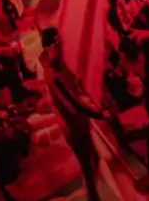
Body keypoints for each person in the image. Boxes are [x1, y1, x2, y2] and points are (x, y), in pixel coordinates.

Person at [42, 28, 112, 201]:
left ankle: (93, 192)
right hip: (75, 128)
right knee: (88, 167)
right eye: (57, 44)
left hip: (79, 124)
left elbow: (74, 85)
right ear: (49, 48)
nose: (61, 47)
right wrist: (99, 113)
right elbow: (74, 102)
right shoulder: (54, 74)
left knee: (94, 159)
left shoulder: (57, 65)